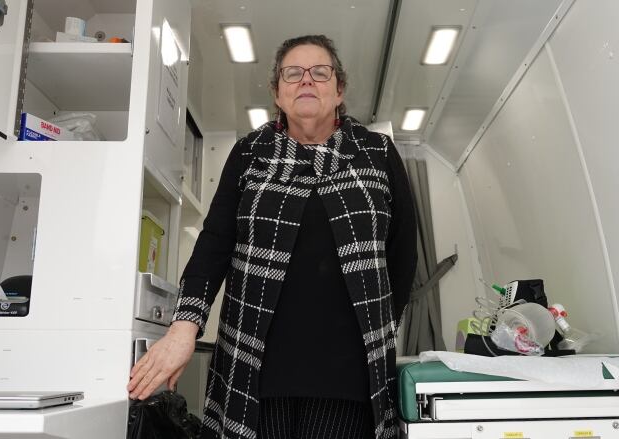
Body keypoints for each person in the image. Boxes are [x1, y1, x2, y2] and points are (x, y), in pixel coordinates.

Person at [128, 34, 417, 439]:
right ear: (277, 94)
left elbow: (402, 256)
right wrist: (183, 327)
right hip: (254, 371)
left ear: (339, 90)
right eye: (292, 74)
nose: (306, 82)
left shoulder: (377, 152)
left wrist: (381, 325)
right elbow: (213, 246)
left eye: (320, 72)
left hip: (349, 374)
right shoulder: (250, 152)